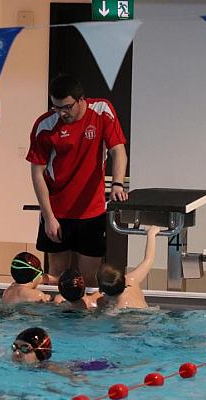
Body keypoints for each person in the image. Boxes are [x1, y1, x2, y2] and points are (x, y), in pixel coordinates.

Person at [26, 75, 128, 287]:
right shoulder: (45, 126)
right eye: (56, 107)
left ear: (82, 100)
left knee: (89, 280)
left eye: (67, 107)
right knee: (56, 277)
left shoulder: (101, 111)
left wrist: (117, 183)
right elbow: (37, 174)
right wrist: (48, 217)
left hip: (91, 213)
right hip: (57, 213)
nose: (62, 113)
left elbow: (118, 150)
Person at [97, 226, 161, 310]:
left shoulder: (117, 309)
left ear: (101, 291)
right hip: (148, 313)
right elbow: (148, 260)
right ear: (123, 277)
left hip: (132, 317)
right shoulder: (132, 279)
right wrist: (151, 234)